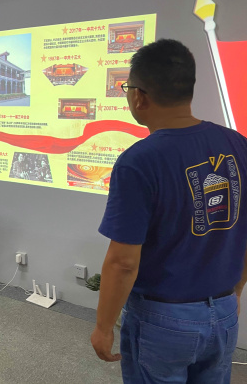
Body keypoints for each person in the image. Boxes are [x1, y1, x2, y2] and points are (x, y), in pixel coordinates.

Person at [91, 39, 247, 383]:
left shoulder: (139, 161)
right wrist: (235, 291)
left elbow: (123, 262)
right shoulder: (238, 144)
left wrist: (103, 326)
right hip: (223, 312)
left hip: (162, 320)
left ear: (139, 96)